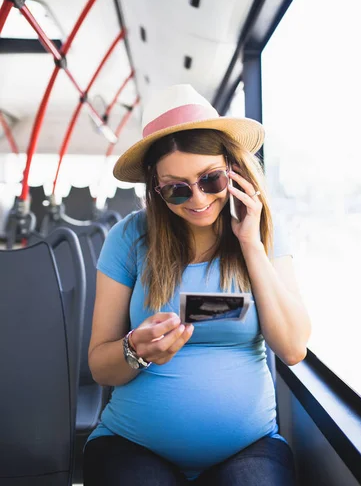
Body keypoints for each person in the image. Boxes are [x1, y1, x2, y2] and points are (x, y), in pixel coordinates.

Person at [83, 84, 311, 485]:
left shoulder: (264, 235)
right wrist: (135, 350)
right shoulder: (129, 238)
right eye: (176, 188)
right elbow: (100, 367)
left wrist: (251, 244)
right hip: (133, 444)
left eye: (210, 180)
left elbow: (293, 348)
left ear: (234, 171)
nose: (198, 200)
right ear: (155, 188)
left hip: (248, 447)